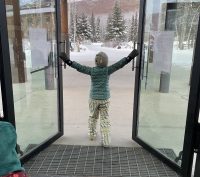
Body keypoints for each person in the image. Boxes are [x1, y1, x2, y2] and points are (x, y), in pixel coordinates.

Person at [59, 49, 139, 147]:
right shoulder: (107, 70)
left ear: (96, 61)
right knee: (105, 119)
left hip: (93, 98)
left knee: (93, 116)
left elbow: (79, 67)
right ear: (106, 62)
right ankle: (106, 141)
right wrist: (129, 57)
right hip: (105, 98)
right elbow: (119, 65)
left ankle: (92, 134)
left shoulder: (92, 71)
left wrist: (68, 61)